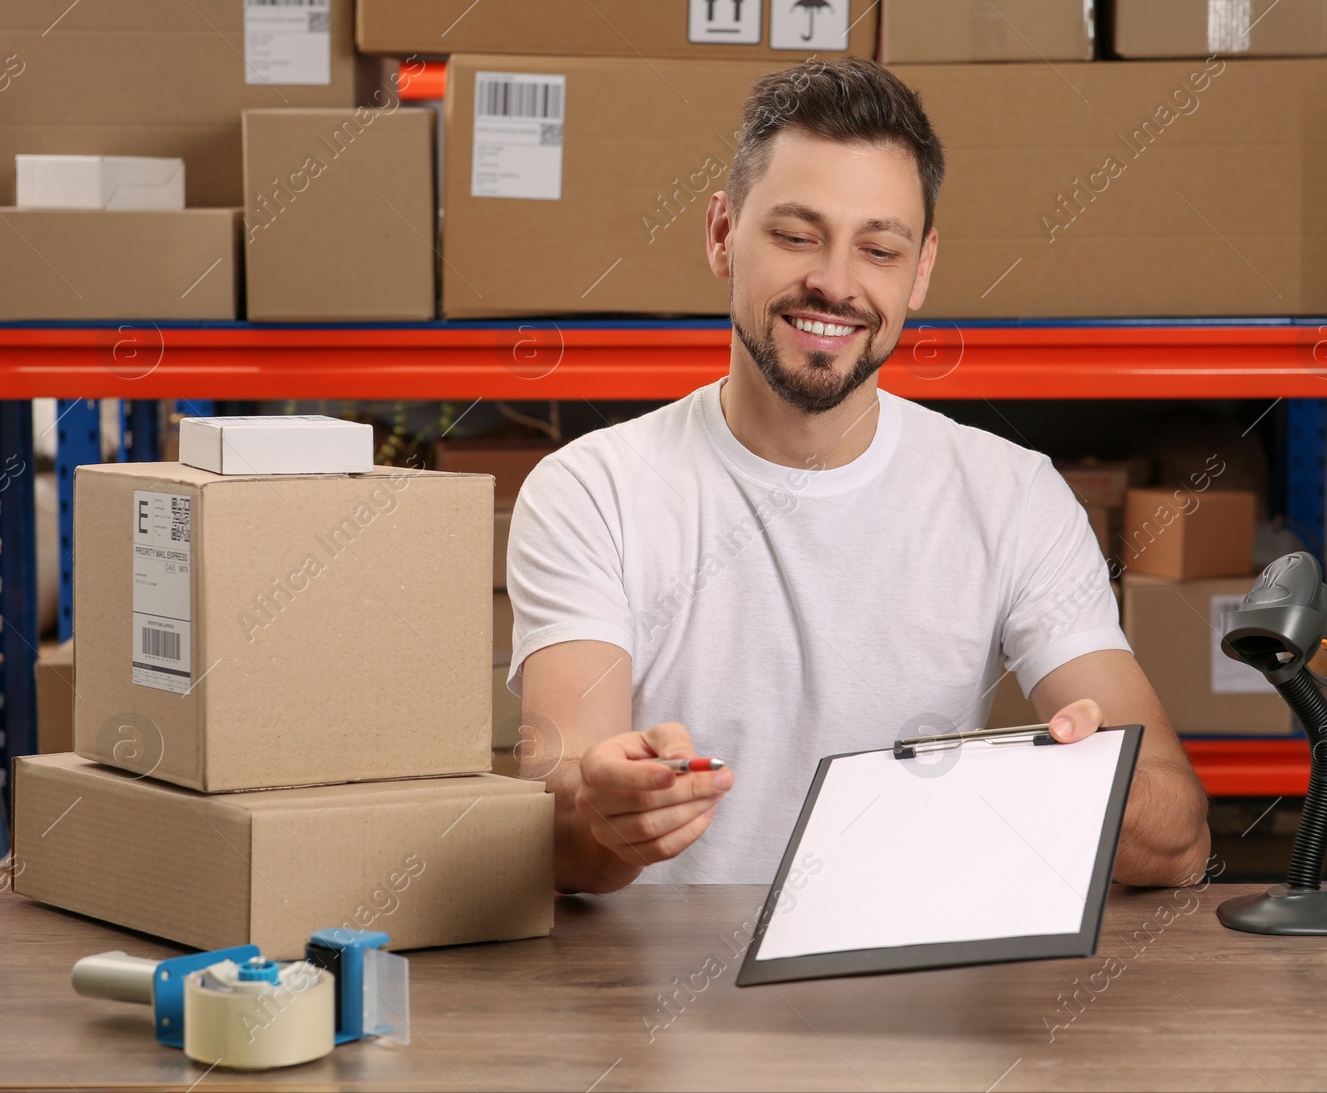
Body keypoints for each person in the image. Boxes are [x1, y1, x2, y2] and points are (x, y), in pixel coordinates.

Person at [506, 58, 1210, 894]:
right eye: (797, 235)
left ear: (920, 269)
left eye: (878, 248)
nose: (836, 284)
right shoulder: (592, 490)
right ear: (722, 234)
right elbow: (552, 822)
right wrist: (608, 812)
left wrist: (1069, 786)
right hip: (639, 1007)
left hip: (910, 1000)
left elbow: (1180, 840)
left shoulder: (1012, 496)